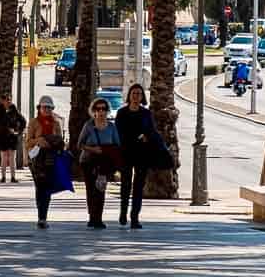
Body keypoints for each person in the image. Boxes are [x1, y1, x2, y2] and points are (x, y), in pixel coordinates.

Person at [114, 82, 162, 228]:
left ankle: (134, 217)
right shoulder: (122, 113)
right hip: (126, 153)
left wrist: (147, 137)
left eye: (139, 94)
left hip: (142, 154)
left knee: (138, 187)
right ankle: (123, 213)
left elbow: (152, 131)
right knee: (125, 185)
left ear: (142, 97)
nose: (136, 96)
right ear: (129, 95)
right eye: (134, 93)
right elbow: (118, 132)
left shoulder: (146, 113)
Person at [76, 96, 121, 228]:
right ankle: (92, 217)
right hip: (88, 160)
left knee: (101, 188)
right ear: (93, 111)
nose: (101, 111)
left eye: (104, 109)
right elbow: (80, 144)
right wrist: (92, 149)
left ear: (107, 111)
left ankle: (98, 218)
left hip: (104, 162)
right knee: (91, 189)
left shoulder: (112, 127)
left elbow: (117, 144)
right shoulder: (88, 126)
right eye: (98, 109)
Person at [24, 96, 66, 227]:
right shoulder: (34, 123)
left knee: (47, 187)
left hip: (51, 159)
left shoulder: (56, 123)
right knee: (40, 186)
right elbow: (27, 142)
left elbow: (60, 141)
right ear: (39, 108)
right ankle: (41, 214)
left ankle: (43, 217)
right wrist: (39, 141)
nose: (47, 110)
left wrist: (55, 143)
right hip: (36, 160)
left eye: (50, 107)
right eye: (45, 107)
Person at [0, 90, 25, 183]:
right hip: (3, 137)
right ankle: (3, 177)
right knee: (4, 157)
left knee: (12, 157)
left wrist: (18, 131)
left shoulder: (14, 109)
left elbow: (22, 120)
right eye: (7, 99)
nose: (9, 101)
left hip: (12, 137)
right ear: (3, 101)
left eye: (10, 99)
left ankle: (13, 177)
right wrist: (6, 128)